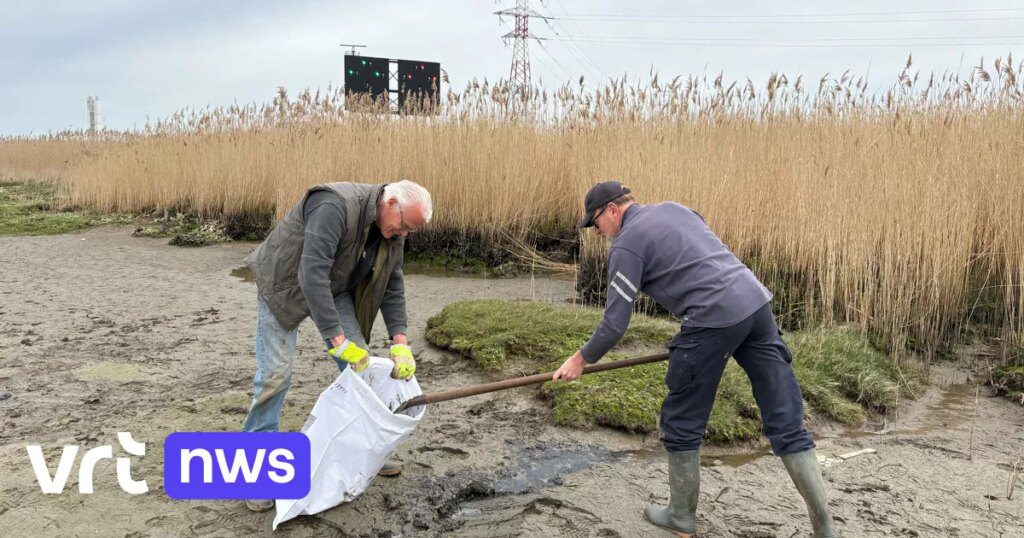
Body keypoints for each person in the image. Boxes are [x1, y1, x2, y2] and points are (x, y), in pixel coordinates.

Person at [553, 181, 838, 537]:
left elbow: (614, 324)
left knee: (681, 422)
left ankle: (681, 516)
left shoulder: (626, 244)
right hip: (756, 305)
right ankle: (826, 528)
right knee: (787, 423)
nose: (597, 233)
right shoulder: (675, 208)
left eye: (595, 224)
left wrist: (579, 360)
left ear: (613, 210)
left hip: (711, 319)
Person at [240, 179, 432, 512]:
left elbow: (393, 281)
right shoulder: (334, 205)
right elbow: (311, 273)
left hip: (335, 286)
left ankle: (363, 450)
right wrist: (338, 340)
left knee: (362, 373)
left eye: (409, 232)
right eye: (403, 226)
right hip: (283, 284)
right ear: (390, 204)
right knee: (274, 378)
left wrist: (400, 340)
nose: (403, 235)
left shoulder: (394, 230)